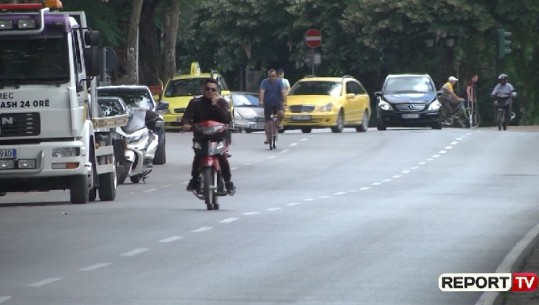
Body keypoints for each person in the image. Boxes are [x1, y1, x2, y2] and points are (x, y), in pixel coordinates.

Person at [182, 78, 235, 194]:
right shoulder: (195, 103)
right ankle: (194, 180)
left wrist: (215, 105)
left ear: (217, 91)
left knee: (222, 157)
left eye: (213, 89)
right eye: (207, 89)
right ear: (203, 89)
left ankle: (228, 182)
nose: (210, 92)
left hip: (219, 137)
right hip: (201, 137)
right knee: (198, 156)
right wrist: (186, 124)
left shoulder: (222, 103)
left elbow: (227, 119)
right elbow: (187, 117)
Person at [259, 69, 287, 144]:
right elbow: (262, 92)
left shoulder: (279, 82)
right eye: (270, 76)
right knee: (268, 122)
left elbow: (283, 92)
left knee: (281, 113)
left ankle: (279, 123)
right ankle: (268, 138)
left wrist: (285, 102)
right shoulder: (264, 82)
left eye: (273, 76)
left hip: (278, 103)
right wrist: (261, 101)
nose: (272, 77)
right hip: (268, 104)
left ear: (276, 76)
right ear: (268, 76)